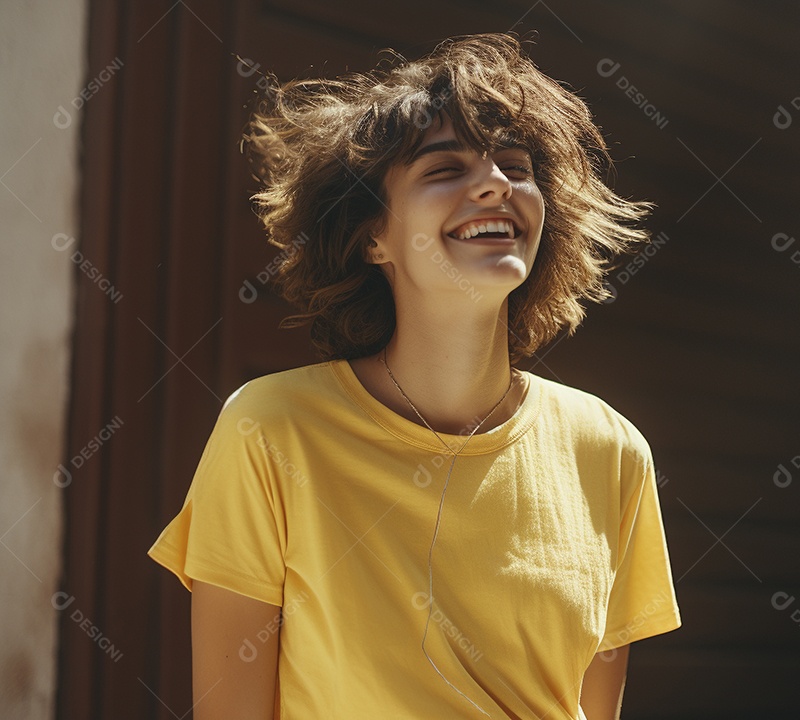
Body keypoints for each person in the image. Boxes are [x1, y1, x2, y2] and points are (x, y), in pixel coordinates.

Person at [148, 32, 680, 719]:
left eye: (516, 167)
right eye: (443, 169)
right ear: (374, 236)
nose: (496, 183)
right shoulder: (269, 430)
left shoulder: (611, 451)